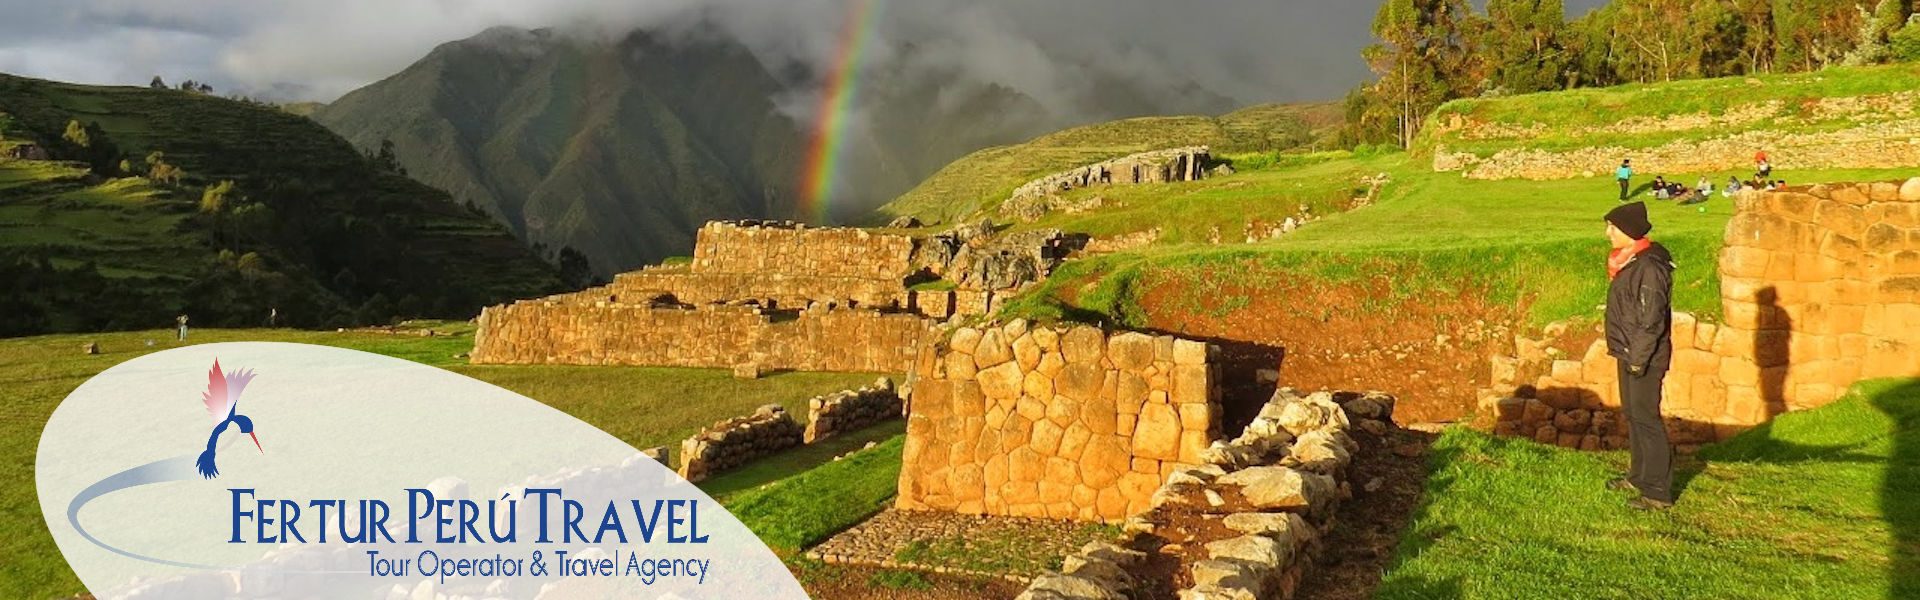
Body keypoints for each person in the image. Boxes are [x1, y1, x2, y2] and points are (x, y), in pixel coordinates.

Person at [1602, 202, 1676, 510]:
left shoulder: (1649, 267)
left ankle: (1658, 491)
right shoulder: (1630, 263)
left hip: (1643, 355)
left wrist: (1637, 358)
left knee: (1647, 419)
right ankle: (1639, 476)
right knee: (1634, 416)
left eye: (1612, 228)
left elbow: (1651, 320)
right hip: (1629, 351)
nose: (1607, 233)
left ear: (1629, 233)